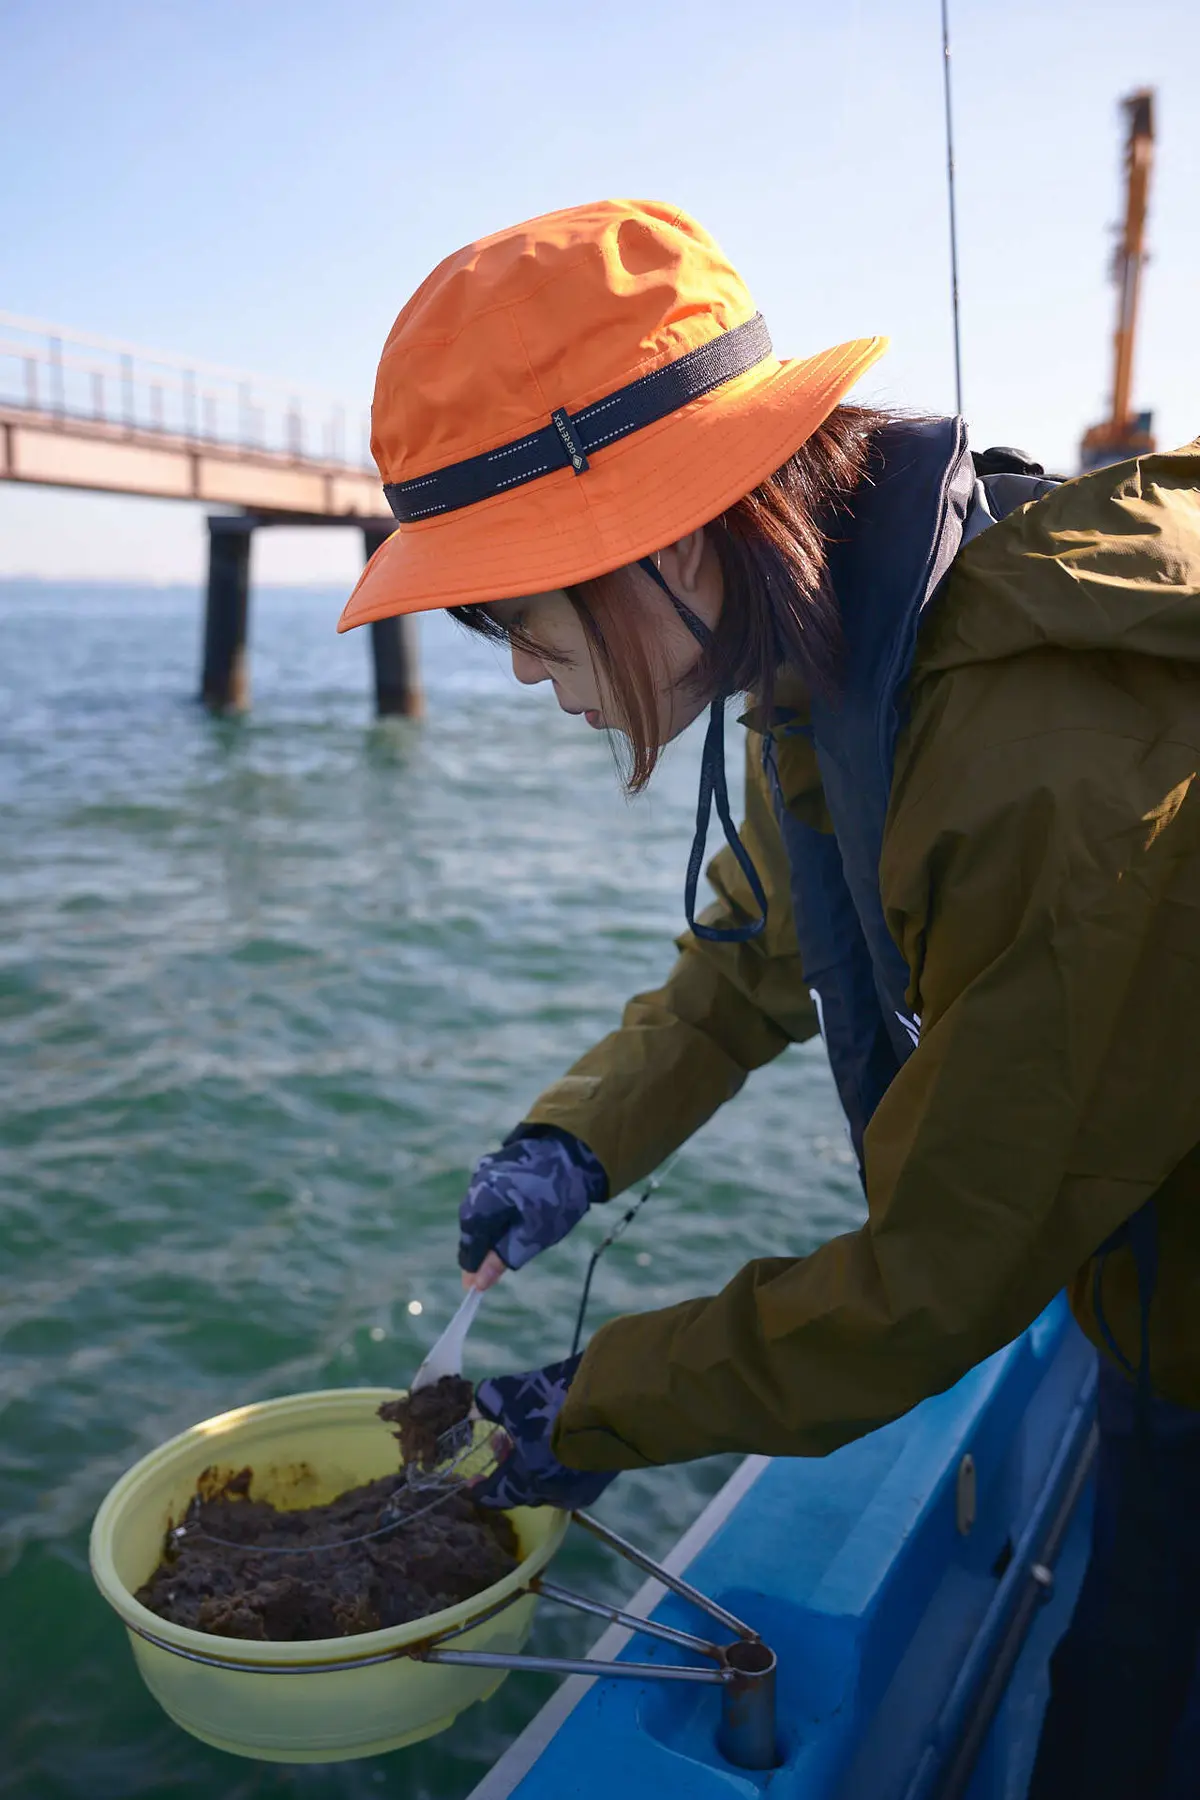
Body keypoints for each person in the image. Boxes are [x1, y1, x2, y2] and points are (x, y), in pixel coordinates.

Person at [337, 199, 1200, 1792]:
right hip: (1149, 1306)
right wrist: (570, 1147)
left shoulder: (1042, 772)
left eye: (514, 612)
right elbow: (754, 958)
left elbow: (940, 1277)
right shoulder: (831, 651)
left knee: (1130, 1707)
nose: (522, 667)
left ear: (665, 537)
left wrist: (588, 1404)